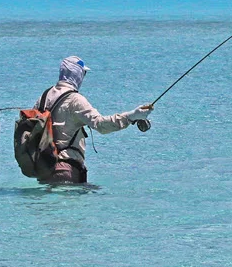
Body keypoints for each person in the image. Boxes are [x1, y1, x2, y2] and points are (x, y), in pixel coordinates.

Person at [33, 56, 153, 184]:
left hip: (44, 171)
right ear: (77, 74)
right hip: (66, 171)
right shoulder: (75, 100)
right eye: (83, 73)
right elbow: (101, 125)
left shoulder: (44, 97)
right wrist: (131, 116)